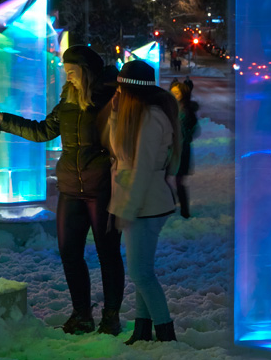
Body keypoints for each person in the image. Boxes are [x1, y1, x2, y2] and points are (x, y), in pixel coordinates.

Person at [0, 45, 124, 336]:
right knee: (68, 252)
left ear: (86, 71)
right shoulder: (66, 99)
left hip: (102, 189)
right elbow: (43, 131)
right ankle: (82, 314)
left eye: (72, 72)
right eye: (66, 72)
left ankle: (111, 316)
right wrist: (4, 121)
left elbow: (125, 141)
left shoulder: (109, 99)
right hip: (70, 189)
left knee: (108, 253)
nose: (67, 77)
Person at [107, 59, 181, 344]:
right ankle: (142, 330)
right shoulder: (138, 116)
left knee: (140, 273)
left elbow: (140, 169)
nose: (117, 95)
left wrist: (127, 209)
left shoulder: (150, 118)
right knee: (142, 272)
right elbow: (120, 152)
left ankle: (165, 333)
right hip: (143, 203)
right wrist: (115, 115)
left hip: (146, 205)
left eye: (120, 90)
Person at [170, 80, 199, 218]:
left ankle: (183, 210)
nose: (173, 94)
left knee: (178, 181)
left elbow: (188, 133)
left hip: (180, 151)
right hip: (175, 149)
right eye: (172, 92)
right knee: (172, 180)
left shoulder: (185, 111)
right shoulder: (175, 108)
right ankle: (178, 206)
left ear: (183, 94)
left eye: (177, 93)